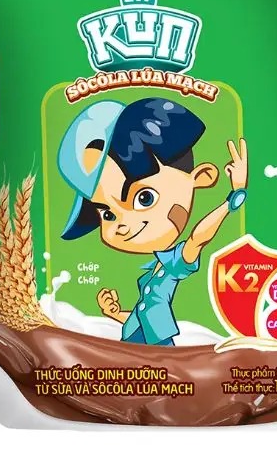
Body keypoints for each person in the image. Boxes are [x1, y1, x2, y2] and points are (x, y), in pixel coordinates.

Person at [58, 97, 248, 346]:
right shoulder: (154, 270)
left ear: (202, 177)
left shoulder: (175, 262)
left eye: (144, 198)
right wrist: (115, 313)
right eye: (107, 214)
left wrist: (232, 199)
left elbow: (198, 237)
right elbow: (143, 314)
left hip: (160, 350)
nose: (122, 225)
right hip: (133, 345)